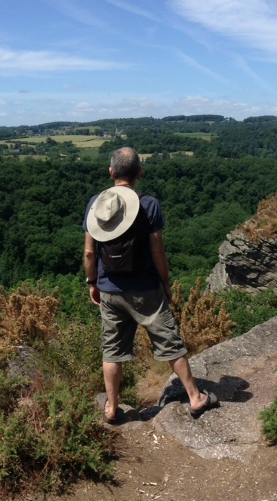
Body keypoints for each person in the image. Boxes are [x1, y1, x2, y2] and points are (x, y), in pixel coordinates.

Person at [83, 147, 215, 424]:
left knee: (112, 351)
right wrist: (165, 282)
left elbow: (89, 252)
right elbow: (157, 251)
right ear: (139, 173)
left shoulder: (96, 203)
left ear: (111, 172)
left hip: (109, 289)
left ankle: (111, 407)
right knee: (170, 343)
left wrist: (93, 282)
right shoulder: (149, 204)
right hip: (145, 288)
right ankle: (195, 397)